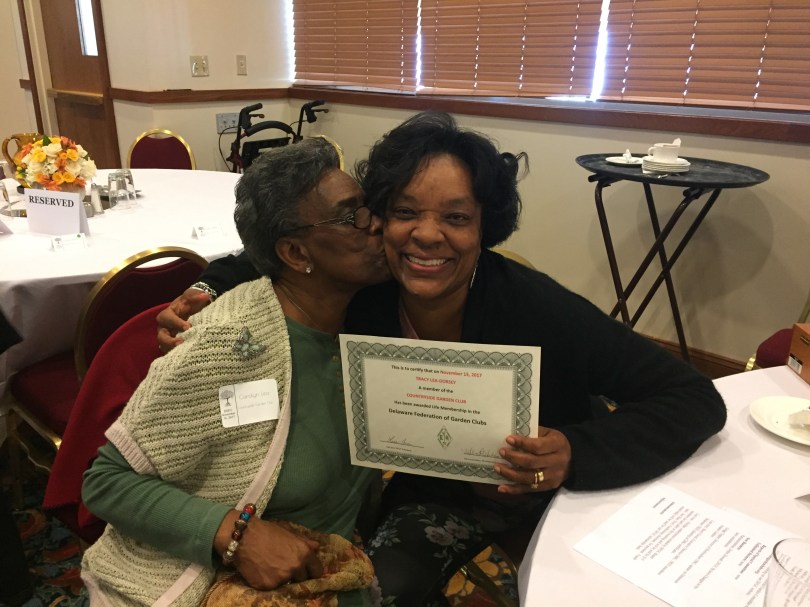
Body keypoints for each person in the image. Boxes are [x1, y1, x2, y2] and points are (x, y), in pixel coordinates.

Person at [157, 111, 727, 606]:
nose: (426, 236)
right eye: (406, 212)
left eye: (456, 218)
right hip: (434, 494)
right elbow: (272, 254)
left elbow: (693, 398)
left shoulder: (535, 307)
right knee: (373, 589)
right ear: (380, 219)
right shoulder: (369, 288)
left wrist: (574, 452)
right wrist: (205, 289)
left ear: (484, 227)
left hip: (560, 498)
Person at [81, 138, 390, 606]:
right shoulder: (230, 344)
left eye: (369, 208)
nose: (377, 224)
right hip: (219, 575)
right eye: (353, 217)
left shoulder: (367, 319)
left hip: (332, 566)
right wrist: (233, 534)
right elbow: (105, 481)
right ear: (296, 253)